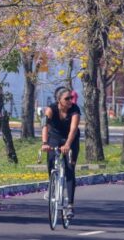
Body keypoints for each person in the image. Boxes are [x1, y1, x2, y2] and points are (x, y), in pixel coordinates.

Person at [41, 86, 80, 220]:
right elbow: (44, 125)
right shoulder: (50, 109)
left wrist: (68, 144)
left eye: (71, 98)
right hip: (55, 137)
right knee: (51, 160)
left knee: (69, 169)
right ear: (59, 100)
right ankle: (51, 186)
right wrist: (45, 143)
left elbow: (74, 129)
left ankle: (70, 205)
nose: (70, 100)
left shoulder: (75, 109)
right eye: (67, 98)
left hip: (71, 139)